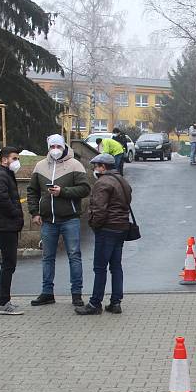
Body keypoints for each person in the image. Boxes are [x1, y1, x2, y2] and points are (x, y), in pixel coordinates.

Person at [27, 134, 91, 308]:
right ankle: (47, 292)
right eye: (52, 147)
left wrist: (63, 191)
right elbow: (32, 191)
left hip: (70, 219)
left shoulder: (75, 165)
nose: (55, 150)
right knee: (47, 257)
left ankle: (76, 294)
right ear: (48, 148)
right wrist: (34, 212)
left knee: (74, 256)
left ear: (64, 147)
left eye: (58, 147)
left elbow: (85, 189)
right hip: (48, 220)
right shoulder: (40, 166)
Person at [75, 153, 133, 315]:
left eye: (96, 166)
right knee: (116, 266)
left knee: (100, 268)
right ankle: (115, 302)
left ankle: (95, 303)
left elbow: (99, 209)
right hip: (121, 227)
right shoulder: (122, 180)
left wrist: (94, 225)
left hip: (107, 229)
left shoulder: (102, 183)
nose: (95, 169)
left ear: (103, 167)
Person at [0, 146, 25, 315]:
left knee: (7, 264)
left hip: (5, 225)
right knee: (9, 264)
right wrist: (15, 213)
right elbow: (1, 198)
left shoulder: (4, 174)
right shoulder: (1, 175)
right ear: (4, 160)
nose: (17, 162)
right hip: (5, 226)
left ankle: (1, 300)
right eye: (14, 158)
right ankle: (3, 302)